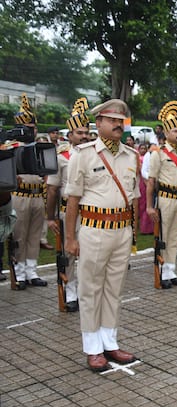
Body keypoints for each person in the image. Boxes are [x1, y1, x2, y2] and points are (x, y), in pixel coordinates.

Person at [65, 99, 139, 372]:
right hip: (94, 230)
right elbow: (73, 200)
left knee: (114, 289)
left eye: (121, 121)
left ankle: (110, 342)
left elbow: (133, 198)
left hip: (121, 231)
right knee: (90, 289)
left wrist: (132, 233)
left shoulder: (131, 156)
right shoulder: (83, 155)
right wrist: (71, 239)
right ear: (99, 123)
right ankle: (93, 348)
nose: (118, 125)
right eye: (112, 120)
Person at [46, 97, 91, 311]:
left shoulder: (95, 155)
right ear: (70, 135)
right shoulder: (62, 156)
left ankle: (85, 291)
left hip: (92, 212)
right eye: (79, 133)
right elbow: (53, 189)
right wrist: (49, 217)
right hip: (68, 212)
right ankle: (71, 291)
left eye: (86, 132)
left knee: (89, 252)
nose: (84, 136)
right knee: (70, 252)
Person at [146, 100, 177, 289]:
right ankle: (161, 271)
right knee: (163, 237)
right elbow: (151, 182)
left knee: (175, 237)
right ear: (165, 133)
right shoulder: (159, 154)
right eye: (175, 131)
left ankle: (171, 271)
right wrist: (149, 206)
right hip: (165, 199)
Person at [10, 94, 48, 290]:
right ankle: (20, 272)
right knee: (19, 235)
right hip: (20, 195)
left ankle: (32, 271)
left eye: (32, 128)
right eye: (27, 128)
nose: (30, 131)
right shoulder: (11, 147)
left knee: (34, 235)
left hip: (37, 194)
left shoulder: (40, 148)